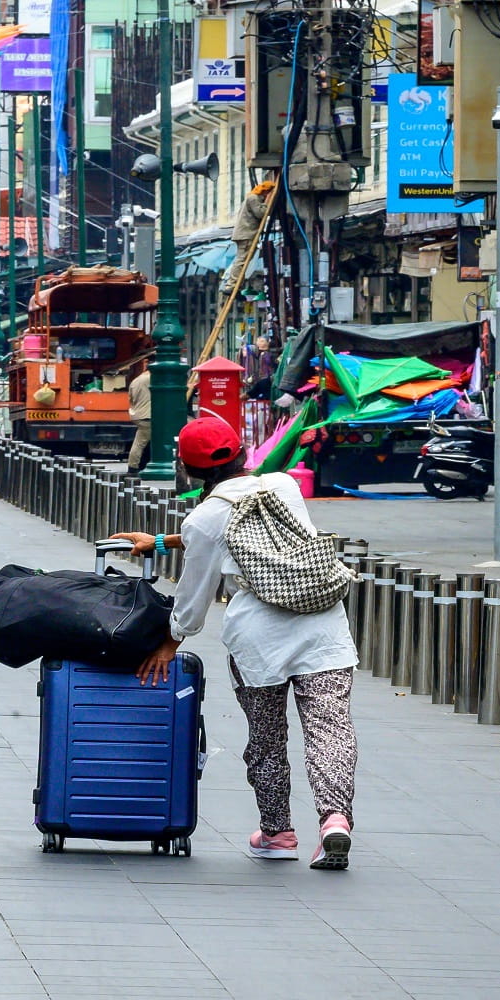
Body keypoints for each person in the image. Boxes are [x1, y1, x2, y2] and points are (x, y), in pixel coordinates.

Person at [112, 416, 360, 870]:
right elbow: (255, 541)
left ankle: (277, 832)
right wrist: (165, 542)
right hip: (321, 624)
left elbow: (195, 590)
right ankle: (334, 821)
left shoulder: (204, 517)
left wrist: (173, 638)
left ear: (188, 468)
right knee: (330, 729)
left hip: (259, 638)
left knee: (267, 738)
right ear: (244, 453)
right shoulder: (284, 486)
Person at [127, 364, 152, 474]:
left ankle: (139, 465)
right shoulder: (150, 379)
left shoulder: (135, 381)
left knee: (141, 441)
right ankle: (133, 467)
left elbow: (131, 399)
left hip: (138, 414)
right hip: (148, 415)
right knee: (140, 443)